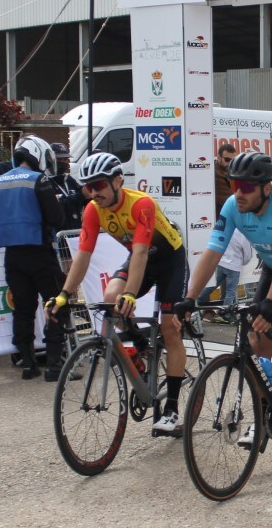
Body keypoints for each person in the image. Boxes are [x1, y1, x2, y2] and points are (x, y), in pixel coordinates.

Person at [174, 152, 272, 447]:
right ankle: (267, 413)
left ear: (266, 188)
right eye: (234, 184)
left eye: (246, 187)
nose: (238, 192)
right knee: (258, 345)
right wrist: (189, 297)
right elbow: (212, 252)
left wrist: (271, 303)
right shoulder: (234, 206)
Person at [52, 152, 190, 435]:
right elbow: (83, 255)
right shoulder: (93, 209)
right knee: (110, 296)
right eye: (89, 186)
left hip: (169, 262)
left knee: (169, 329)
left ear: (117, 181)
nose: (94, 192)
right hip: (141, 260)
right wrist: (65, 293)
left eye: (99, 184)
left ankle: (173, 410)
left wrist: (131, 294)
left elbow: (140, 250)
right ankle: (139, 346)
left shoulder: (141, 204)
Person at [0, 135, 66, 382]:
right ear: (38, 155)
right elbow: (57, 219)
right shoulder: (38, 180)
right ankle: (54, 367)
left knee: (22, 310)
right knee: (55, 307)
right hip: (40, 253)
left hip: (13, 257)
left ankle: (28, 365)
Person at [197, 230, 253, 321]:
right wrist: (242, 262)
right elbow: (248, 254)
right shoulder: (242, 233)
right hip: (234, 266)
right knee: (230, 292)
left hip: (221, 262)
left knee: (212, 286)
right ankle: (226, 313)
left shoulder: (226, 228)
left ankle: (198, 300)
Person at [49, 142, 85, 231]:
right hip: (58, 235)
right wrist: (80, 196)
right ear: (50, 160)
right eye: (59, 159)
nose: (63, 162)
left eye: (65, 159)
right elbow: (56, 206)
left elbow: (84, 194)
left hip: (75, 232)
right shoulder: (44, 182)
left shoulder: (68, 179)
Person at [214, 142, 236, 210]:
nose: (230, 163)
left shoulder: (230, 172)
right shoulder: (215, 174)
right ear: (219, 158)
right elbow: (231, 201)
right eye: (227, 160)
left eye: (233, 160)